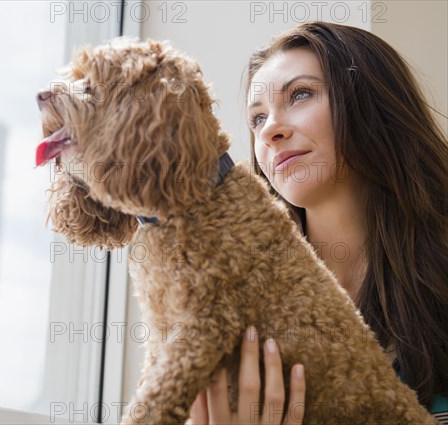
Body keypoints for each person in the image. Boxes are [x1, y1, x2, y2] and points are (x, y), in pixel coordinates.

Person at [190, 21, 448, 424]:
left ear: (371, 106)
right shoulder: (238, 311)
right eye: (257, 119)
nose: (270, 130)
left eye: (301, 94)